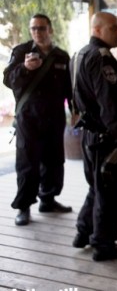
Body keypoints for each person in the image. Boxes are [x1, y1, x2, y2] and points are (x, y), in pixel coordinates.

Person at [71, 12, 117, 261]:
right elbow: (112, 107)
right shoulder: (103, 59)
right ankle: (104, 244)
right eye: (115, 28)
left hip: (89, 137)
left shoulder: (79, 55)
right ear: (98, 30)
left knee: (96, 187)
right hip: (108, 140)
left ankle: (83, 231)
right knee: (110, 194)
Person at [3, 14, 73, 226]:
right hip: (28, 118)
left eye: (41, 28)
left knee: (54, 161)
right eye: (33, 28)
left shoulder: (61, 56)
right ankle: (24, 207)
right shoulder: (22, 51)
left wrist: (75, 109)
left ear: (50, 30)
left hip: (54, 118)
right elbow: (8, 79)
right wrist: (25, 69)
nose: (37, 32)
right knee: (27, 163)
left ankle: (48, 199)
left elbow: (69, 87)